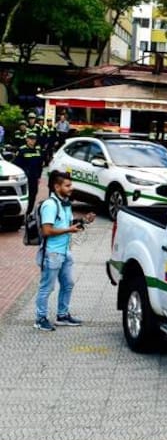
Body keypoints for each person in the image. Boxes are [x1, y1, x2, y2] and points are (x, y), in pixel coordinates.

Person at [35, 170, 95, 332]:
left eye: (70, 185)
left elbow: (65, 224)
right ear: (57, 186)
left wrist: (83, 221)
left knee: (68, 284)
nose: (71, 188)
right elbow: (46, 230)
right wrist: (69, 229)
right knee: (47, 287)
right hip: (52, 253)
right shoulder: (50, 205)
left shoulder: (65, 203)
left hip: (64, 252)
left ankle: (62, 315)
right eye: (67, 185)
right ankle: (40, 319)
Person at [13, 132, 44, 211]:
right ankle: (24, 210)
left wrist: (39, 176)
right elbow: (16, 164)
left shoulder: (38, 149)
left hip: (34, 176)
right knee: (26, 194)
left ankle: (29, 211)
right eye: (31, 139)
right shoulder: (22, 149)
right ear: (27, 139)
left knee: (34, 193)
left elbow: (40, 164)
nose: (32, 141)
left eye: (34, 139)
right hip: (26, 177)